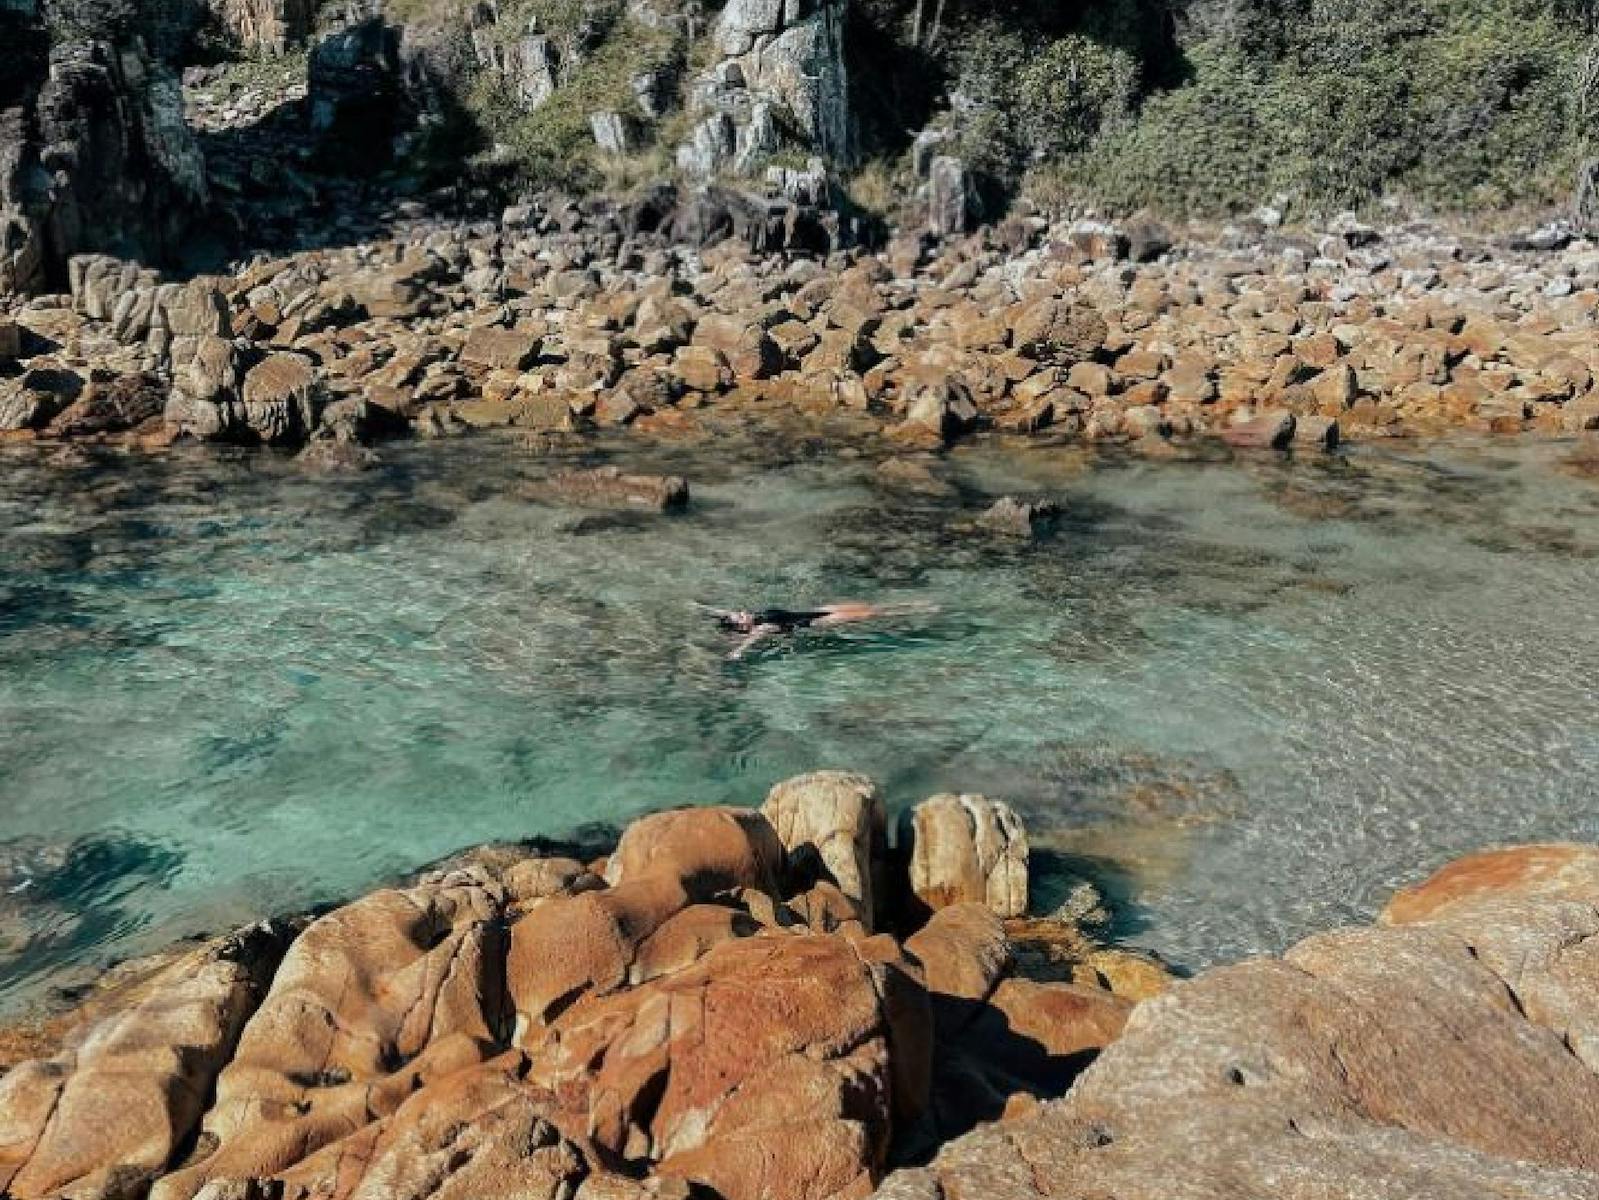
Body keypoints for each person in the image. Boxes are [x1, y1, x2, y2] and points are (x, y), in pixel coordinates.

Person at [699, 601, 935, 659]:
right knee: (872, 613)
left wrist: (701, 608)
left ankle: (915, 606)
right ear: (742, 626)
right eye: (739, 616)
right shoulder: (763, 627)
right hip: (821, 621)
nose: (742, 611)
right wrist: (738, 651)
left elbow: (721, 613)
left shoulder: (756, 618)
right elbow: (753, 640)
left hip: (819, 610)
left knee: (869, 607)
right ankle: (917, 610)